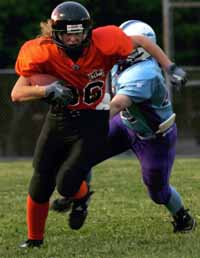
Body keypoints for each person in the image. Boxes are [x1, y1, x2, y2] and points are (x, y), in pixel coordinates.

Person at [11, 0, 187, 248]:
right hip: (61, 119)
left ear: (87, 30)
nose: (73, 40)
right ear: (55, 33)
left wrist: (170, 67)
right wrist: (44, 90)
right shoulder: (42, 52)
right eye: (66, 35)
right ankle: (34, 240)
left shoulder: (108, 48)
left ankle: (80, 196)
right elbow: (17, 93)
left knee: (67, 181)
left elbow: (139, 49)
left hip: (98, 121)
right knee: (40, 180)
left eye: (78, 33)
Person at [51, 20, 195, 234]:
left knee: (158, 192)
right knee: (83, 151)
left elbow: (118, 104)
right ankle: (80, 196)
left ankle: (182, 217)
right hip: (125, 124)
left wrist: (87, 123)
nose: (117, 47)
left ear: (137, 51)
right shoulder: (124, 61)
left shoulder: (144, 73)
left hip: (153, 137)